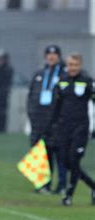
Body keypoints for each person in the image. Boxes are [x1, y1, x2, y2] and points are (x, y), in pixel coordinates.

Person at [46, 53, 95, 206]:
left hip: (80, 128)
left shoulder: (87, 81)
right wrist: (49, 126)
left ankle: (68, 195)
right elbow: (56, 106)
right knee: (67, 162)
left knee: (74, 159)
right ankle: (93, 186)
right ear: (67, 66)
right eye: (70, 65)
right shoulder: (62, 81)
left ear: (80, 65)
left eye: (75, 65)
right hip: (63, 128)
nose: (73, 68)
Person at [27, 45, 67, 194]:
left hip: (57, 121)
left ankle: (62, 185)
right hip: (39, 121)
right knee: (41, 153)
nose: (51, 57)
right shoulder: (39, 74)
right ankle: (43, 184)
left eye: (54, 54)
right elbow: (31, 97)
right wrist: (31, 115)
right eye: (49, 54)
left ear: (59, 56)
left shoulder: (64, 74)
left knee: (59, 153)